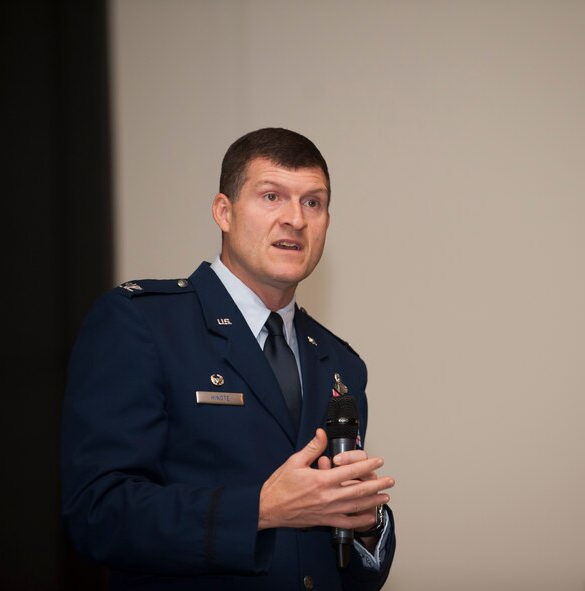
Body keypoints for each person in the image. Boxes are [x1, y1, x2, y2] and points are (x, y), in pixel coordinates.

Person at [61, 127, 396, 590]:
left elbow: (343, 564)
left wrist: (365, 526)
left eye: (312, 202)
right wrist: (261, 509)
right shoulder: (143, 324)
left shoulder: (339, 364)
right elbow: (98, 513)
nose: (295, 219)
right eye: (272, 196)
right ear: (224, 211)